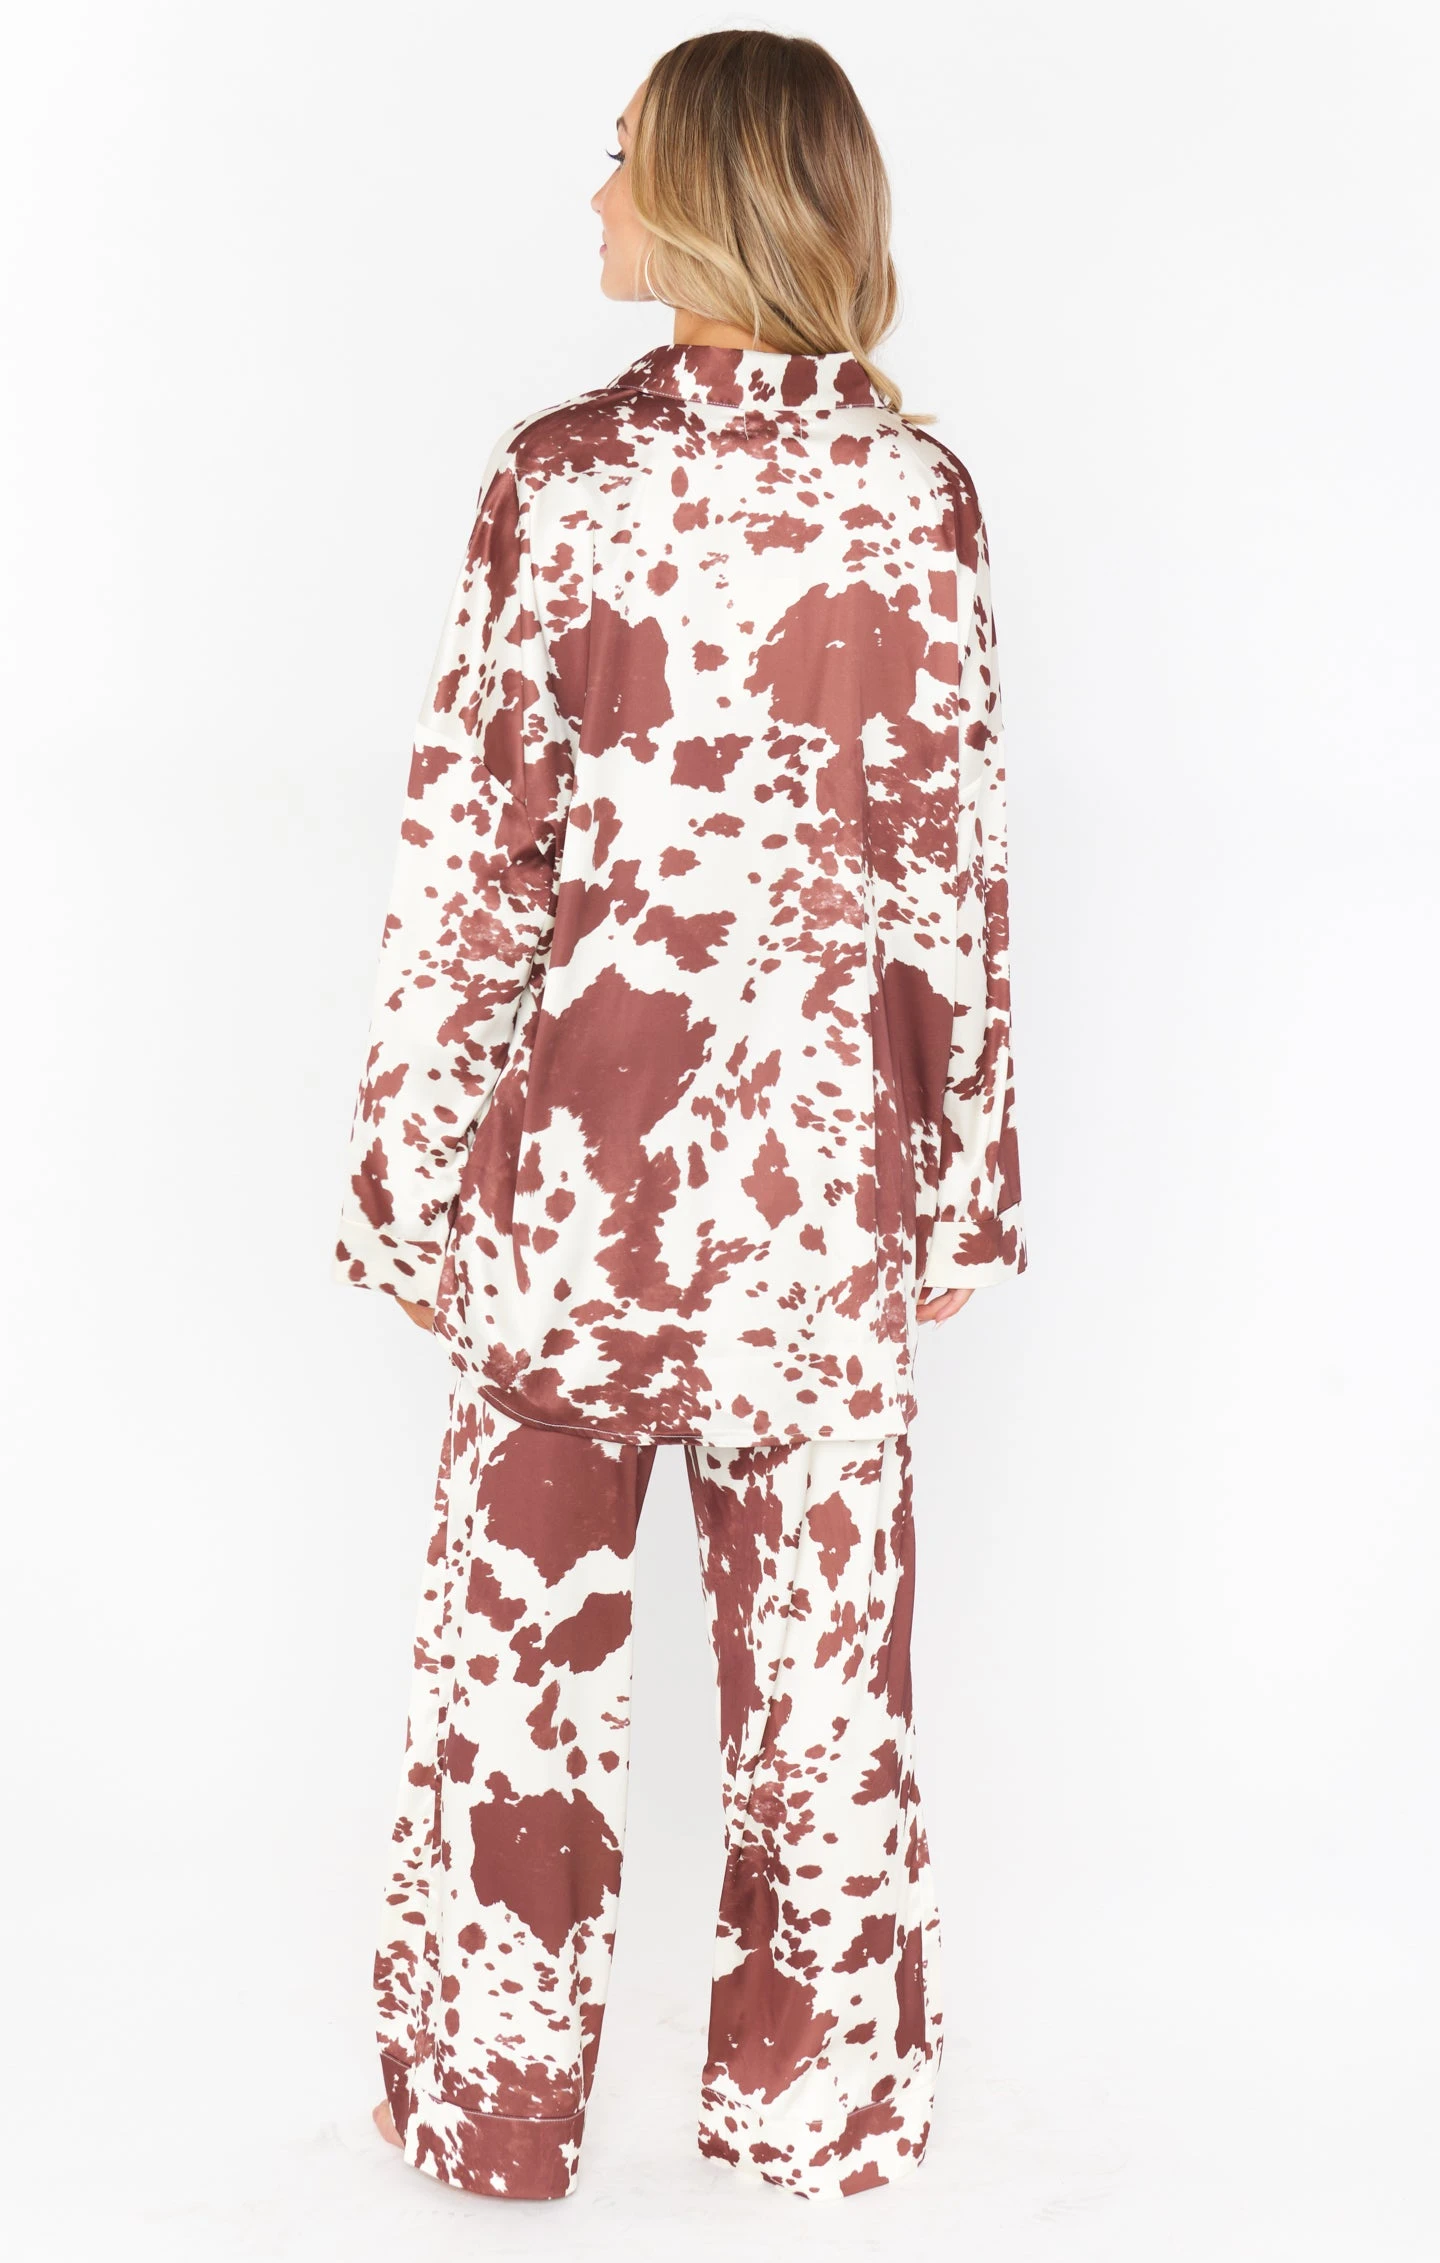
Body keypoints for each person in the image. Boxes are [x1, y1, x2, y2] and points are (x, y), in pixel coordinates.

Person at [334, 27, 1026, 2205]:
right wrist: (958, 1192)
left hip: (574, 1189)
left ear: (713, 195)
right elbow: (943, 874)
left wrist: (402, 1178)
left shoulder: (558, 482)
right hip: (817, 1204)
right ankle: (818, 2115)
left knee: (514, 1693)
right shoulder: (918, 498)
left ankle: (488, 2115)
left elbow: (476, 859)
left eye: (624, 159)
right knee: (825, 1696)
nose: (597, 194)